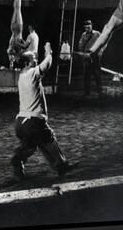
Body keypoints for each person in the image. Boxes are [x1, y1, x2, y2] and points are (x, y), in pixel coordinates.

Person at [11, 42, 77, 179]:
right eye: (33, 58)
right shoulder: (32, 73)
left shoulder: (21, 77)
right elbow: (47, 64)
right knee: (49, 138)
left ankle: (19, 159)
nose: (36, 59)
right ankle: (61, 165)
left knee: (33, 144)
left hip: (20, 123)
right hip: (34, 121)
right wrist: (49, 51)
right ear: (28, 64)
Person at [78, 20, 102, 96]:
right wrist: (82, 45)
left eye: (89, 26)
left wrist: (100, 52)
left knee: (97, 74)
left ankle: (99, 92)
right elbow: (80, 46)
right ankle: (86, 92)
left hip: (95, 56)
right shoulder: (83, 35)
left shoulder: (97, 33)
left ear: (91, 26)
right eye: (86, 27)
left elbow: (103, 42)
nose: (87, 28)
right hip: (86, 57)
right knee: (86, 75)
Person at [7, 0, 28, 68]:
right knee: (16, 9)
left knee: (17, 9)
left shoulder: (12, 49)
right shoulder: (14, 49)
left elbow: (24, 45)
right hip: (15, 29)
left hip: (17, 29)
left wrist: (12, 59)